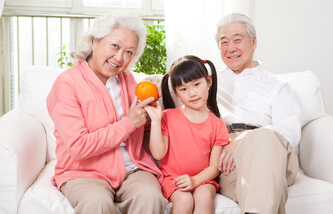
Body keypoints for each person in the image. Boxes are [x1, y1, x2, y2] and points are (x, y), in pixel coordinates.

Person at [46, 11, 168, 214]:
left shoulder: (128, 81)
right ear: (95, 41)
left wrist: (150, 117)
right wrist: (129, 123)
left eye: (129, 52)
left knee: (151, 197)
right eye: (115, 46)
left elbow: (138, 133)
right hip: (84, 172)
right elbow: (78, 147)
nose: (120, 58)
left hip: (132, 168)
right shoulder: (67, 84)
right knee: (96, 203)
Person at [215, 13, 301, 214]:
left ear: (253, 42)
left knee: (265, 137)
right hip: (228, 160)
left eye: (238, 39)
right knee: (262, 188)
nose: (231, 48)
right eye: (224, 42)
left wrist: (248, 137)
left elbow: (291, 131)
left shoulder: (276, 86)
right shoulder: (209, 83)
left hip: (273, 152)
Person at [144, 55, 229, 214]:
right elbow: (158, 153)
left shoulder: (217, 125)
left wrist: (195, 180)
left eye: (197, 84)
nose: (192, 93)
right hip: (173, 178)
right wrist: (156, 121)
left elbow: (214, 167)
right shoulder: (168, 116)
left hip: (203, 179)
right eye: (183, 89)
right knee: (184, 200)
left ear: (208, 82)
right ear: (176, 92)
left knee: (204, 196)